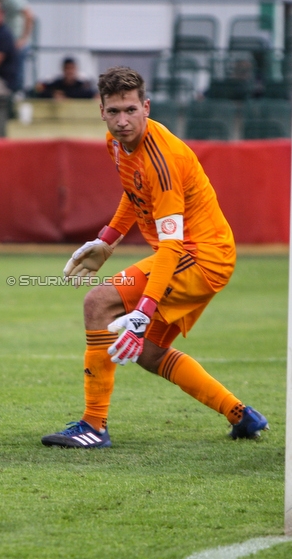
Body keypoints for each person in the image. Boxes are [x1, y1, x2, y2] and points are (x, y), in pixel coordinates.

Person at [41, 66, 268, 448]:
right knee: (149, 353)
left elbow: (172, 247)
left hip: (200, 256)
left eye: (130, 110)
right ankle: (242, 416)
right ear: (101, 111)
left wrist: (143, 312)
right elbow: (134, 194)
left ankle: (93, 426)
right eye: (114, 112)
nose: (123, 120)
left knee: (98, 302)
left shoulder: (162, 161)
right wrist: (107, 239)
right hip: (201, 255)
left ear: (146, 107)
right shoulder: (116, 145)